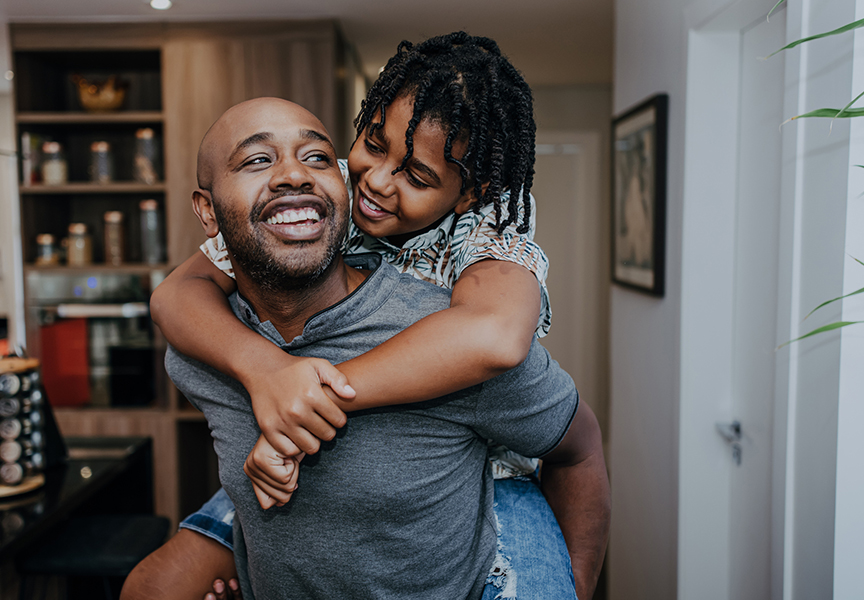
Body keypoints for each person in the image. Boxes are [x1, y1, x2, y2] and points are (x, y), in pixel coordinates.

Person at [128, 33, 608, 600]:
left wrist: (308, 398)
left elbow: (496, 338)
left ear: (467, 194)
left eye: (418, 176)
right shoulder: (325, 188)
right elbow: (175, 295)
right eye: (372, 145)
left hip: (497, 476)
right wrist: (265, 371)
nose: (378, 181)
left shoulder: (488, 230)